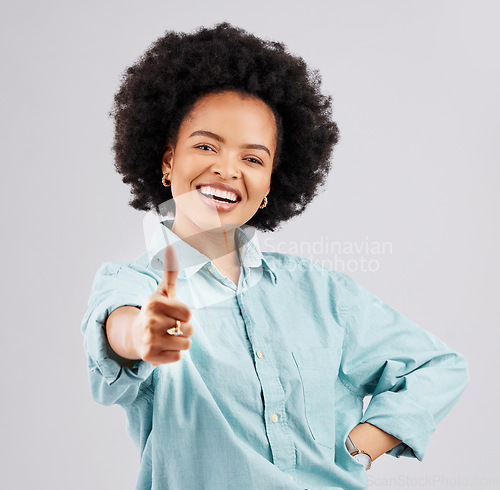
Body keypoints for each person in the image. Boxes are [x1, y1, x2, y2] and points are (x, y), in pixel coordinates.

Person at [81, 23, 469, 490]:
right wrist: (144, 334)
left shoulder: (320, 292)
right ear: (168, 161)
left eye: (253, 159)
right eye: (206, 146)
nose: (227, 169)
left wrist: (365, 440)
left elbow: (438, 366)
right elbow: (118, 328)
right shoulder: (134, 285)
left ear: (269, 186)